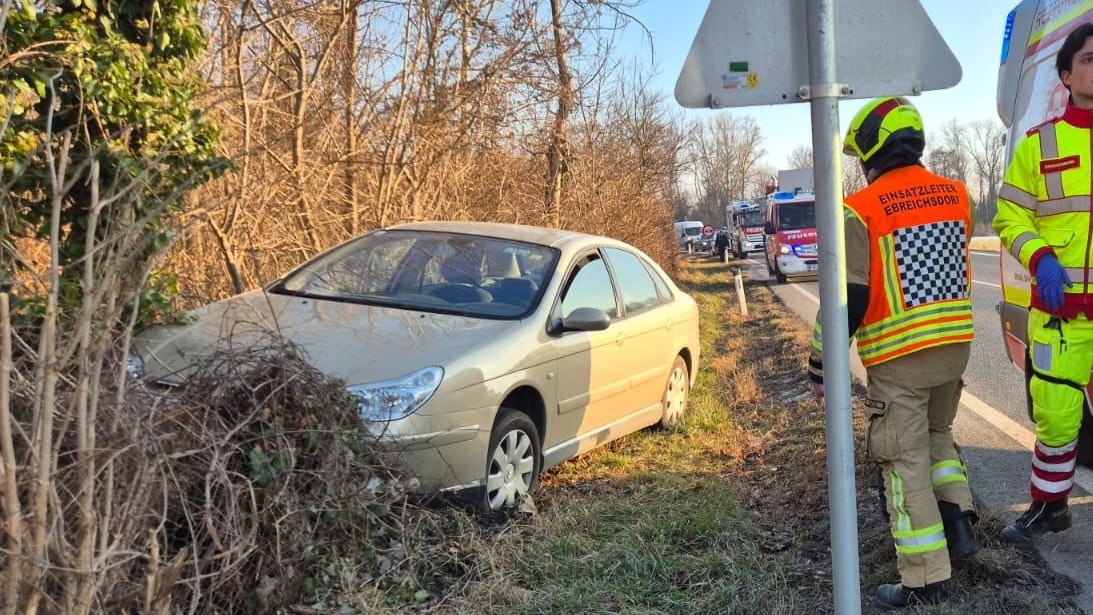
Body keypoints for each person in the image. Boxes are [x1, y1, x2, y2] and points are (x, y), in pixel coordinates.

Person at [808, 96, 978, 609]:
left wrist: (820, 360)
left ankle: (925, 577)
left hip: (901, 356)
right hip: (955, 346)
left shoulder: (859, 209)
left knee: (903, 462)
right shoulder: (957, 194)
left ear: (872, 153)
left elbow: (850, 297)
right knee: (937, 435)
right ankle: (960, 525)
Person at [992, 23, 1093, 544]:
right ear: (1066, 74)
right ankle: (1050, 506)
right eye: (1090, 59)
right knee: (1055, 419)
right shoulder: (1039, 144)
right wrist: (1042, 258)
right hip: (1062, 313)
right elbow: (1009, 215)